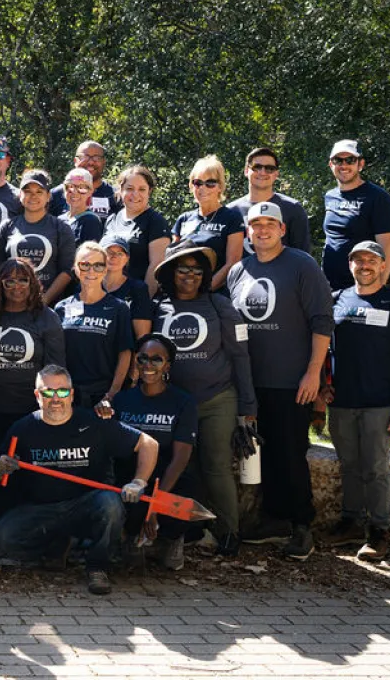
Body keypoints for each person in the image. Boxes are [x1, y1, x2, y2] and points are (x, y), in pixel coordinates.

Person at [0, 364, 158, 595]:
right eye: (48, 392)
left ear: (71, 395)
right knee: (4, 537)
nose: (55, 398)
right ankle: (56, 545)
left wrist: (139, 482)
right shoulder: (23, 428)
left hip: (87, 506)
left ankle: (97, 567)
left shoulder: (94, 423)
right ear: (37, 396)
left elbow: (149, 444)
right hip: (43, 510)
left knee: (110, 504)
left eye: (62, 392)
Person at [228, 202, 333, 560]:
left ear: (283, 229)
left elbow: (322, 321)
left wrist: (313, 372)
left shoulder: (302, 265)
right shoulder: (238, 271)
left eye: (270, 223)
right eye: (256, 224)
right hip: (251, 383)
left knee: (290, 455)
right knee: (262, 454)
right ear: (248, 231)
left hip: (292, 381)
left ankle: (303, 526)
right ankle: (273, 520)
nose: (263, 229)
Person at [151, 238, 256, 556]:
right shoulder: (159, 307)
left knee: (216, 466)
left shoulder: (219, 305)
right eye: (182, 268)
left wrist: (248, 406)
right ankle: (189, 530)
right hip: (174, 404)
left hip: (216, 399)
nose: (189, 275)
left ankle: (228, 532)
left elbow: (240, 356)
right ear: (170, 272)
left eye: (197, 270)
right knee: (183, 468)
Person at [323, 241, 390, 562]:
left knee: (376, 468)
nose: (364, 265)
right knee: (349, 465)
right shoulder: (336, 300)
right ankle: (350, 522)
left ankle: (379, 531)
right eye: (358, 260)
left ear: (381, 265)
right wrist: (324, 387)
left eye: (371, 260)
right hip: (342, 402)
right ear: (350, 265)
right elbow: (323, 349)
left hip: (381, 403)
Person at [111, 335, 198, 571]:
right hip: (133, 476)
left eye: (157, 360)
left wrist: (156, 506)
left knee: (188, 486)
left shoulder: (183, 402)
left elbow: (181, 458)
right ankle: (132, 537)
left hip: (167, 477)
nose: (148, 365)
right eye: (143, 358)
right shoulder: (122, 400)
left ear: (167, 366)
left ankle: (170, 539)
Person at [0, 258, 64, 453]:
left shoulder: (47, 317)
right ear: (1, 284)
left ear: (32, 283)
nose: (16, 286)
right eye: (9, 281)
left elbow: (56, 367)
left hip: (31, 409)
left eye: (23, 280)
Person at [54, 242, 134, 411]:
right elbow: (55, 354)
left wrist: (112, 394)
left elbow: (125, 353)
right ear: (75, 268)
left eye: (98, 265)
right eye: (85, 265)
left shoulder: (118, 308)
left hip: (103, 397)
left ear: (105, 270)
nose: (91, 271)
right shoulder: (61, 308)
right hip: (68, 395)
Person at [322, 140, 390, 291]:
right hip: (329, 287)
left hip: (362, 286)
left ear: (360, 164)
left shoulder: (377, 197)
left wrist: (378, 288)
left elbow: (387, 249)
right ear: (331, 165)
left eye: (350, 160)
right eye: (338, 160)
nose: (344, 165)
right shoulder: (330, 196)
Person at [0, 169, 76, 305]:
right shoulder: (7, 226)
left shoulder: (61, 228)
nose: (33, 196)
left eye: (39, 192)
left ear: (48, 196)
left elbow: (67, 271)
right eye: (28, 191)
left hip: (48, 305)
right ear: (20, 195)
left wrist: (45, 299)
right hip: (11, 303)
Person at [173, 156, 245, 293]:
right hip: (181, 293)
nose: (203, 188)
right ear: (191, 186)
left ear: (220, 187)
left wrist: (204, 290)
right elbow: (171, 260)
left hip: (215, 295)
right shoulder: (183, 219)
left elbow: (233, 263)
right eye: (198, 183)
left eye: (210, 183)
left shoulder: (232, 218)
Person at [228, 147, 312, 256]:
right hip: (242, 272)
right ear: (246, 171)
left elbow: (303, 255)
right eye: (257, 167)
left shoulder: (293, 208)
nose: (262, 172)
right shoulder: (231, 211)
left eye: (269, 168)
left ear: (276, 174)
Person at [103, 165, 170, 296]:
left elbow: (156, 266)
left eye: (142, 189)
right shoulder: (112, 219)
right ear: (120, 190)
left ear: (149, 191)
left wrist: (143, 301)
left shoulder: (155, 221)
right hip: (109, 297)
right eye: (129, 189)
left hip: (135, 297)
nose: (135, 194)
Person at [100, 235, 152, 339]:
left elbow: (142, 336)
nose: (114, 256)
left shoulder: (138, 289)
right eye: (109, 252)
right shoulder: (88, 286)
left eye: (120, 253)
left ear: (127, 259)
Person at [49, 141, 118, 218]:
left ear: (103, 162)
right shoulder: (56, 194)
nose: (91, 162)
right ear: (75, 161)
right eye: (85, 157)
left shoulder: (116, 196)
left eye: (97, 158)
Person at [58, 168, 105, 245]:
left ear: (90, 191)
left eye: (82, 188)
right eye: (70, 187)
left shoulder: (91, 221)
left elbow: (90, 255)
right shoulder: (60, 219)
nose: (75, 192)